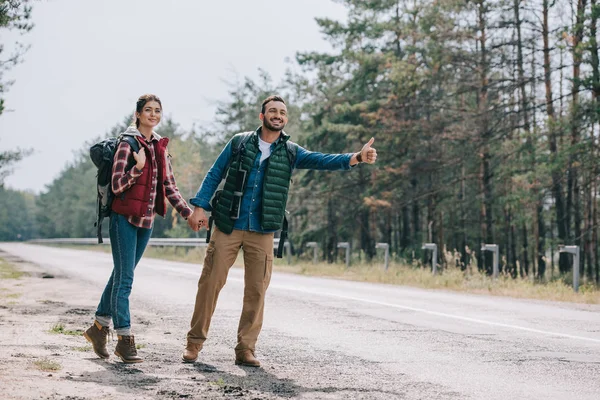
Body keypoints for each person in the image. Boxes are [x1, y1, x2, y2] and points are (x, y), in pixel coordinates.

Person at [182, 95, 377, 367]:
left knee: (257, 291)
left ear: (286, 119)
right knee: (210, 283)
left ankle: (246, 349)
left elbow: (322, 161)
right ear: (262, 117)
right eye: (272, 111)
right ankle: (194, 343)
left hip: (262, 230)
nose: (277, 115)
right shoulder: (239, 143)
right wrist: (200, 207)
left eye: (282, 112)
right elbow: (215, 173)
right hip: (228, 225)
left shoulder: (290, 151)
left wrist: (355, 157)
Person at [84, 94, 193, 363]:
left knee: (121, 275)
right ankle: (124, 339)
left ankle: (98, 328)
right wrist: (138, 167)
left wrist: (188, 213)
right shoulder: (127, 143)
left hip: (146, 222)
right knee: (125, 280)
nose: (153, 115)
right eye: (148, 110)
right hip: (124, 220)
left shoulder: (160, 146)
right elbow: (118, 185)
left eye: (157, 110)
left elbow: (169, 186)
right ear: (138, 114)